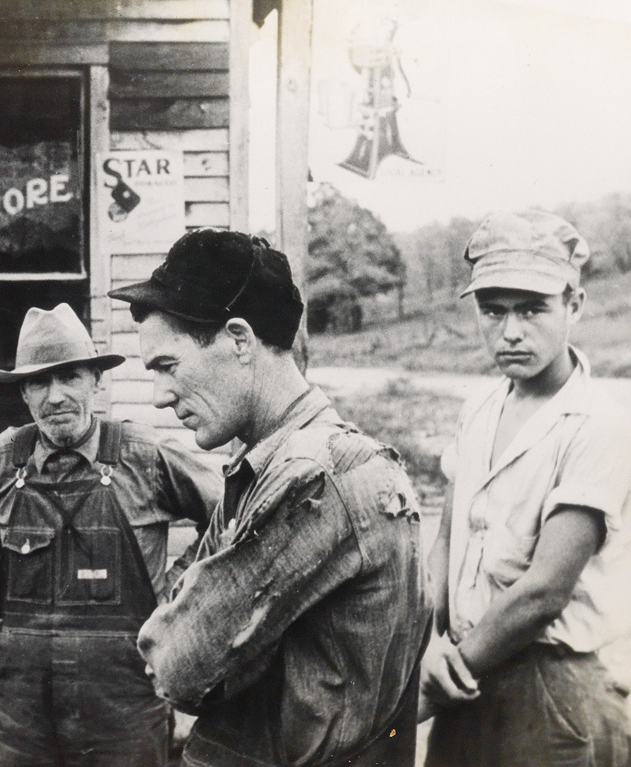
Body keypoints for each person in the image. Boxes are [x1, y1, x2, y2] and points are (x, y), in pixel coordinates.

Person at [108, 229, 431, 767]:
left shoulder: (315, 476)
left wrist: (198, 627)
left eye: (168, 366)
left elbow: (177, 665)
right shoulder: (266, 464)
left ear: (239, 339)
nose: (161, 396)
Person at [0, 302, 222, 767]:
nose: (55, 396)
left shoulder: (145, 454)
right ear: (23, 392)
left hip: (122, 694)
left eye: (70, 377)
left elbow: (228, 511)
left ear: (96, 382)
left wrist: (173, 602)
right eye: (39, 381)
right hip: (20, 700)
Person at [420, 210, 631, 766]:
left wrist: (437, 680)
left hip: (551, 692)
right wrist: (428, 643)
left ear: (574, 306)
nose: (511, 331)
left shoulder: (596, 424)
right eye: (494, 311)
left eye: (533, 309)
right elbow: (447, 541)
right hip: (468, 675)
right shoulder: (480, 408)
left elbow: (542, 593)